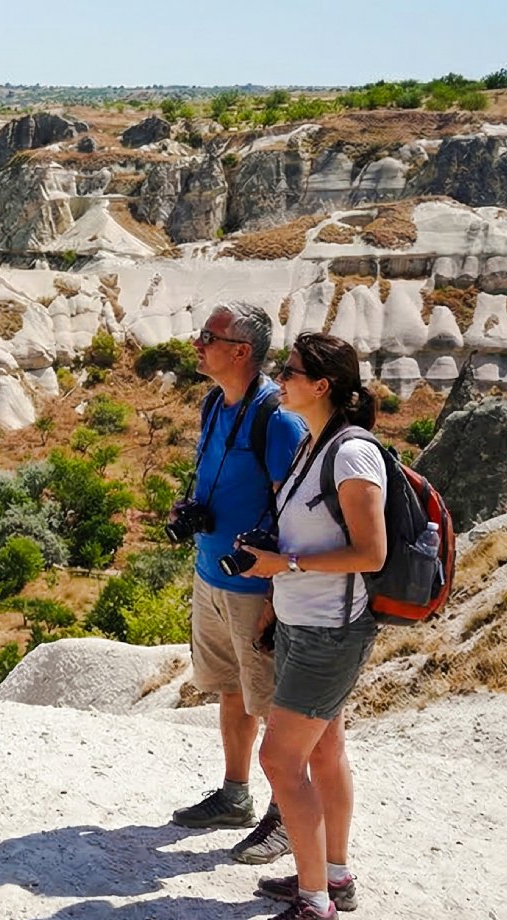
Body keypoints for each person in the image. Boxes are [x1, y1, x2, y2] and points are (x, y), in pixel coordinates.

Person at [237, 332, 387, 920]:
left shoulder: (351, 455)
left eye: (291, 371)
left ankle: (316, 910)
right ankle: (333, 874)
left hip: (332, 629)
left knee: (278, 760)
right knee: (325, 754)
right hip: (306, 621)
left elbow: (370, 552)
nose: (281, 378)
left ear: (322, 385)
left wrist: (286, 567)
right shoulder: (314, 446)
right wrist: (277, 585)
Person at [169, 303, 305, 868]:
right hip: (212, 573)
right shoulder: (214, 403)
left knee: (275, 703)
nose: (197, 343)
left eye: (208, 336)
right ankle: (235, 795)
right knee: (230, 687)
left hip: (257, 589)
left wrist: (279, 594)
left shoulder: (276, 418)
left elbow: (295, 509)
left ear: (241, 351)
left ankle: (286, 818)